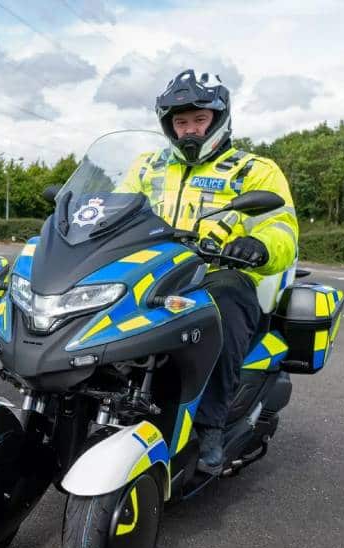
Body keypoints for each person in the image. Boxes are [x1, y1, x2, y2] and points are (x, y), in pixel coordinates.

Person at [118, 70, 299, 474]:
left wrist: (258, 245)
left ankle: (210, 424)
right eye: (181, 122)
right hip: (154, 270)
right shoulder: (146, 167)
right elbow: (115, 211)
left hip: (220, 272)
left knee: (223, 299)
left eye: (199, 120)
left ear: (219, 119)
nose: (190, 130)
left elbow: (282, 227)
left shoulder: (253, 170)